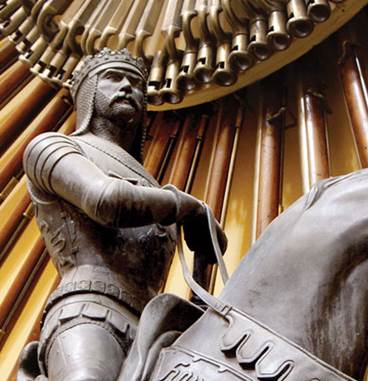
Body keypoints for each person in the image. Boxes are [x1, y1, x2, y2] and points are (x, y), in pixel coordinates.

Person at [19, 48, 225, 381]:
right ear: (87, 92)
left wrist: (204, 257)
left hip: (156, 327)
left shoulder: (151, 186)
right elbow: (104, 200)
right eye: (113, 78)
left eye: (135, 83)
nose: (127, 87)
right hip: (89, 310)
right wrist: (183, 205)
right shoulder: (51, 148)